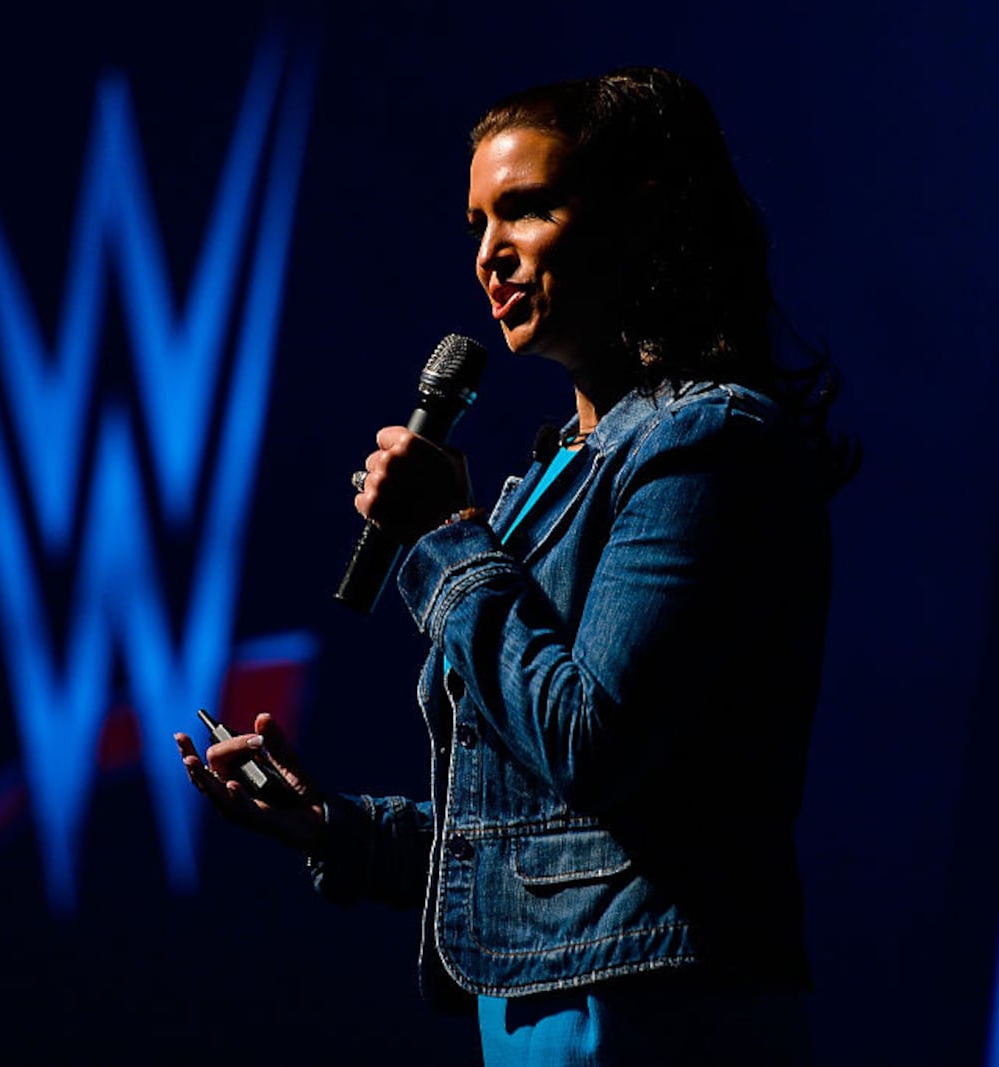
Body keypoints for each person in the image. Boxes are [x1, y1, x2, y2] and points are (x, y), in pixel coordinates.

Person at [174, 66, 851, 1065]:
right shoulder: (548, 478)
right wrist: (332, 825)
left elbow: (591, 743)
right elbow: (535, 832)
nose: (489, 254)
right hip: (545, 1014)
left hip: (657, 1018)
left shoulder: (706, 444)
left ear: (639, 215)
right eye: (476, 224)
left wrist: (445, 530)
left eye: (525, 210)